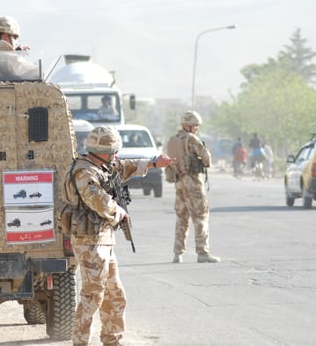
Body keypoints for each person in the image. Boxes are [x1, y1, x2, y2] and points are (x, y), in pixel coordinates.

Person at [63, 126, 174, 346]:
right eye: (113, 150)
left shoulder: (103, 165)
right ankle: (80, 341)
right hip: (90, 241)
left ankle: (112, 340)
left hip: (103, 240)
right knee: (92, 296)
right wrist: (118, 211)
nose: (116, 155)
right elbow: (96, 198)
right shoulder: (84, 171)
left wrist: (154, 162)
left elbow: (126, 166)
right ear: (101, 150)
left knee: (115, 296)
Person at [166, 111, 221, 264]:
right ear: (188, 126)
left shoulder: (173, 140)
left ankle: (177, 253)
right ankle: (203, 252)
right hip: (193, 182)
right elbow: (206, 157)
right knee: (200, 215)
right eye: (195, 126)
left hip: (179, 183)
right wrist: (205, 162)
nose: (196, 129)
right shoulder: (191, 139)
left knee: (182, 218)